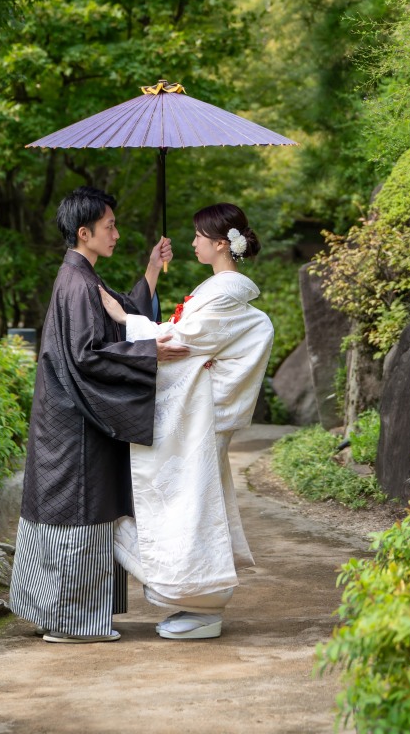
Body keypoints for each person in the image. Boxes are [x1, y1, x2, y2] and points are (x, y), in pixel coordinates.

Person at [9, 186, 188, 644]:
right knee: (81, 510)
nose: (116, 233)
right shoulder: (78, 283)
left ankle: (57, 613)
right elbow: (89, 356)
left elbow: (122, 315)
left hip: (70, 416)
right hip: (75, 421)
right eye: (109, 227)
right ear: (84, 232)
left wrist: (152, 269)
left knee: (73, 510)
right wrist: (150, 352)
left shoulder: (83, 279)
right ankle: (72, 622)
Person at [99, 202, 274, 642]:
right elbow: (185, 341)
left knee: (191, 504)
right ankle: (196, 600)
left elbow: (181, 341)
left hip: (198, 416)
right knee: (189, 502)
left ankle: (203, 603)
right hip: (195, 415)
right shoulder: (217, 289)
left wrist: (122, 318)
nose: (193, 242)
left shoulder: (226, 292)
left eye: (199, 236)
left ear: (220, 244)